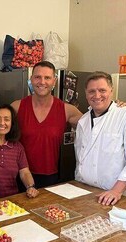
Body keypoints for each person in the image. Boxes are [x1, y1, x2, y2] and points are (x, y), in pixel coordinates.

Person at [74, 71, 126, 206]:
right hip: (83, 191)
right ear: (86, 93)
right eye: (92, 91)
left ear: (111, 91)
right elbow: (80, 158)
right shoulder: (83, 120)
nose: (97, 96)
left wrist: (116, 191)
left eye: (102, 90)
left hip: (113, 195)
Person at [11, 61, 83, 189]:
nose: (42, 82)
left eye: (47, 78)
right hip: (20, 176)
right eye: (38, 77)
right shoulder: (17, 107)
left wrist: (115, 108)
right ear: (31, 79)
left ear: (54, 81)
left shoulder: (66, 110)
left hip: (53, 178)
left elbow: (96, 125)